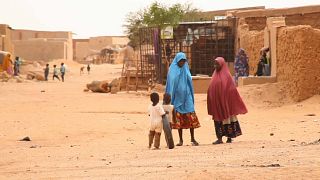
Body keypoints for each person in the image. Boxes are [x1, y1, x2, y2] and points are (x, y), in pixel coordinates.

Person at [207, 57, 248, 144]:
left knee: (228, 119)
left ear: (221, 64)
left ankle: (229, 138)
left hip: (226, 104)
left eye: (217, 64)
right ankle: (219, 138)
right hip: (217, 103)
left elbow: (231, 90)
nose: (215, 66)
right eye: (214, 64)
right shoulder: (215, 74)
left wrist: (225, 99)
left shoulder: (227, 76)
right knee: (218, 120)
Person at [165, 52, 201, 146]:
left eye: (184, 61)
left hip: (187, 97)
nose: (182, 63)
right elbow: (171, 85)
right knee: (179, 119)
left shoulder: (186, 69)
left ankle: (193, 138)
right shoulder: (172, 70)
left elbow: (189, 82)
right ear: (177, 61)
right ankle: (181, 140)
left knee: (190, 116)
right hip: (177, 98)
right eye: (181, 61)